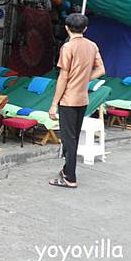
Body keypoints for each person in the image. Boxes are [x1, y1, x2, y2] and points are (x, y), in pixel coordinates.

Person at [48, 13, 106, 189]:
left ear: (66, 28)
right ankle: (66, 171)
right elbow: (101, 70)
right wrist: (84, 79)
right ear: (85, 29)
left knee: (69, 140)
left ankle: (70, 178)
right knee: (72, 137)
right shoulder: (92, 45)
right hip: (83, 99)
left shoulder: (67, 47)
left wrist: (53, 104)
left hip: (68, 99)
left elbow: (63, 77)